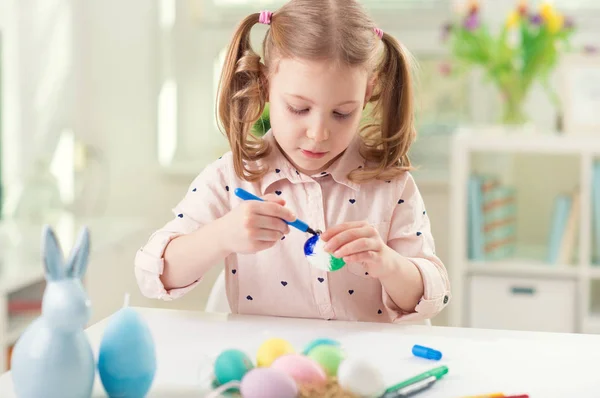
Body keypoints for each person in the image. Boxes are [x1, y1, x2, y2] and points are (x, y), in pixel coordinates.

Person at [135, 0, 450, 323]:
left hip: (363, 367)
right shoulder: (231, 178)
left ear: (368, 92)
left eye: (342, 113)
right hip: (269, 365)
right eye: (299, 108)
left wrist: (388, 264)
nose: (318, 134)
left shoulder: (389, 184)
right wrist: (220, 236)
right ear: (264, 84)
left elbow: (434, 294)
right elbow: (151, 275)